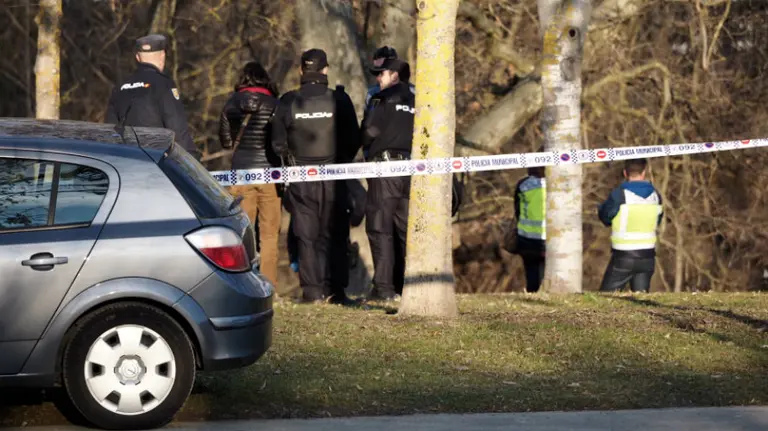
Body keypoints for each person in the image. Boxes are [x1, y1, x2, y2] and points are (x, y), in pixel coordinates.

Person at [271, 48, 361, 304]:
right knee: (335, 232)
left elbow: (277, 143)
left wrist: (291, 161)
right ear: (325, 70)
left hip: (301, 177)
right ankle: (337, 292)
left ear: (301, 71)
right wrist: (339, 162)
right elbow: (354, 138)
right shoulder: (339, 100)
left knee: (306, 236)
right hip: (335, 177)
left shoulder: (288, 101)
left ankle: (312, 292)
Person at [218, 61, 281, 287]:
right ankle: (270, 286)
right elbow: (279, 143)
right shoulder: (274, 103)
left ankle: (244, 285)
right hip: (269, 176)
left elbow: (226, 142)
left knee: (241, 234)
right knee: (270, 235)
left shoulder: (231, 103)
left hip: (240, 176)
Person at [361, 57, 415, 301]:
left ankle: (383, 289)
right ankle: (409, 286)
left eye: (380, 74)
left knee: (379, 228)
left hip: (385, 170)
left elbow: (370, 131)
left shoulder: (382, 99)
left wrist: (362, 144)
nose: (377, 79)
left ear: (394, 75)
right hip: (410, 170)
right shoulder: (416, 100)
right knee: (405, 231)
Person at [105, 34, 198, 159]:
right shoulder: (163, 84)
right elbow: (177, 128)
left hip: (127, 162)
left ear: (138, 57)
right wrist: (191, 160)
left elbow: (110, 131)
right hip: (157, 162)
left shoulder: (119, 88)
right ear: (162, 56)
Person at [598, 158, 664, 293]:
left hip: (624, 256)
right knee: (641, 301)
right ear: (644, 172)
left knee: (605, 300)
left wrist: (600, 209)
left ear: (625, 173)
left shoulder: (620, 194)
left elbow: (606, 218)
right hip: (648, 256)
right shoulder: (655, 195)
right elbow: (657, 220)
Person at [513, 166, 547, 293]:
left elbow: (517, 211)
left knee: (531, 272)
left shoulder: (523, 185)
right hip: (548, 238)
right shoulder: (557, 187)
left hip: (526, 237)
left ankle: (532, 293)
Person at [365, 46, 415, 111]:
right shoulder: (372, 94)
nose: (378, 78)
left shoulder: (413, 93)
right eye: (377, 73)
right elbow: (367, 119)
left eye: (382, 72)